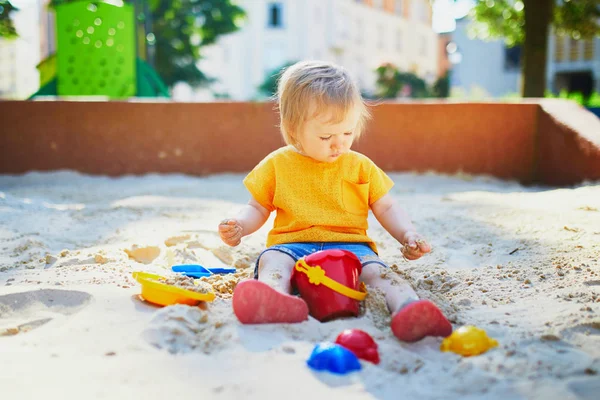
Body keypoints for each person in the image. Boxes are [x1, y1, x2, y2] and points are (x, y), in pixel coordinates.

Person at [218, 60, 452, 342]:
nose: (339, 144)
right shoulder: (277, 164)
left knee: (380, 274)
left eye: (348, 133)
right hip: (293, 245)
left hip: (351, 249)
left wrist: (407, 234)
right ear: (293, 129)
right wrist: (240, 226)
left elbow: (386, 206)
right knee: (272, 260)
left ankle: (409, 308)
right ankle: (274, 298)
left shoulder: (360, 165)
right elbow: (257, 207)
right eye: (326, 136)